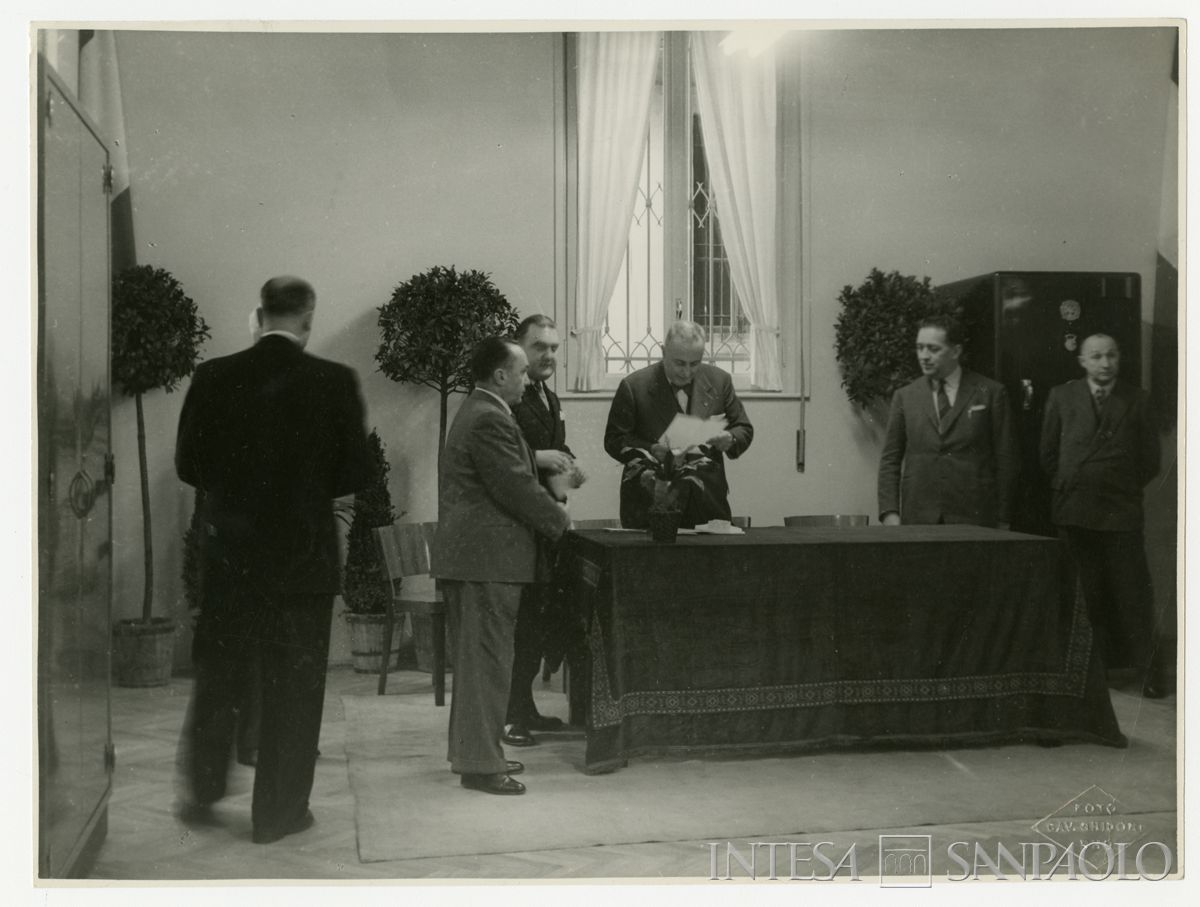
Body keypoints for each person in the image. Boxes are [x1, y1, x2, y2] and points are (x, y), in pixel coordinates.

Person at [174, 276, 372, 843]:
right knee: (294, 691)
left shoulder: (214, 375)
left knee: (219, 677)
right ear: (308, 319)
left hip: (233, 557)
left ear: (260, 315)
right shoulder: (334, 380)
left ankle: (203, 792)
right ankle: (278, 815)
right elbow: (356, 472)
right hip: (302, 561)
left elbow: (188, 464)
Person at [432, 336, 572, 795]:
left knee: (481, 666)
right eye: (521, 371)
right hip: (485, 563)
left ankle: (476, 754)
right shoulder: (489, 417)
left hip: (480, 561)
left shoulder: (483, 411)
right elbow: (514, 485)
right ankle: (480, 765)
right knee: (486, 666)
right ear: (499, 375)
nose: (527, 379)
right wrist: (559, 519)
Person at [1039, 333, 1165, 697]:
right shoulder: (1061, 397)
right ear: (1082, 361)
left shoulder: (1137, 400)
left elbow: (1149, 461)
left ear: (1119, 358)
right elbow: (1048, 455)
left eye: (1111, 355)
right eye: (1096, 356)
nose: (1105, 363)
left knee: (1133, 595)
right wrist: (1074, 483)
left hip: (1120, 513)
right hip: (1075, 511)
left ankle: (1150, 673)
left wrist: (1116, 485)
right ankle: (1086, 675)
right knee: (1083, 595)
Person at [502, 314, 583, 748]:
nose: (549, 355)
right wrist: (543, 458)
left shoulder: (549, 397)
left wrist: (570, 467)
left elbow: (557, 449)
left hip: (546, 527)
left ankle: (525, 707)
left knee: (536, 623)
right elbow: (504, 456)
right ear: (519, 347)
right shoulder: (509, 397)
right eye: (540, 347)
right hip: (518, 526)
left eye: (554, 348)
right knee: (520, 627)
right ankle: (509, 715)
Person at [603, 320, 753, 528]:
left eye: (695, 363)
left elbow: (744, 428)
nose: (687, 372)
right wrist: (651, 449)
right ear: (663, 352)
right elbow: (614, 440)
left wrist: (730, 438)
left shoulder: (720, 380)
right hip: (653, 502)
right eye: (680, 363)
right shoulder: (634, 386)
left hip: (707, 502)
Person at [877, 314, 1017, 528]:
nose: (924, 356)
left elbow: (1006, 459)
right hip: (919, 517)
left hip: (975, 518)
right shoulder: (905, 396)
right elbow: (890, 459)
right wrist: (890, 513)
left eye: (933, 349)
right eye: (920, 348)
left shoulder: (990, 392)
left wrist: (1003, 518)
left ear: (956, 351)